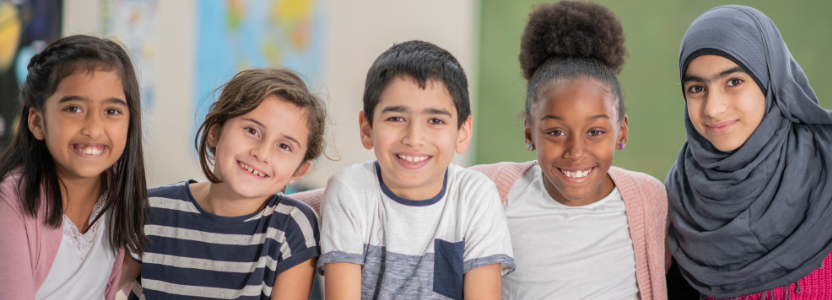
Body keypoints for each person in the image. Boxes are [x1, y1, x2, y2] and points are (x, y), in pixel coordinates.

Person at [665, 5, 832, 299]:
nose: (713, 108)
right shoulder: (681, 198)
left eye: (733, 82)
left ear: (770, 78)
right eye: (697, 88)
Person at [468, 1, 669, 299]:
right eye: (556, 132)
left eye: (595, 132)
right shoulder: (488, 193)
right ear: (529, 132)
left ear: (621, 132)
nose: (576, 152)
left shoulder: (649, 199)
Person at [319, 40, 514, 300]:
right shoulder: (349, 191)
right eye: (396, 118)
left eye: (435, 120)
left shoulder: (476, 196)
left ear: (463, 132)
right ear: (367, 129)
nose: (414, 138)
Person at [124, 68, 326, 299]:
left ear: (299, 171)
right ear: (214, 131)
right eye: (252, 130)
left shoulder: (293, 227)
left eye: (284, 146)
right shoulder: (151, 210)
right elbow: (99, 287)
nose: (262, 153)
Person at [0, 35, 149, 300]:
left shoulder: (121, 191)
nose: (94, 128)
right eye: (74, 108)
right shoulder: (11, 200)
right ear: (37, 122)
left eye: (112, 111)